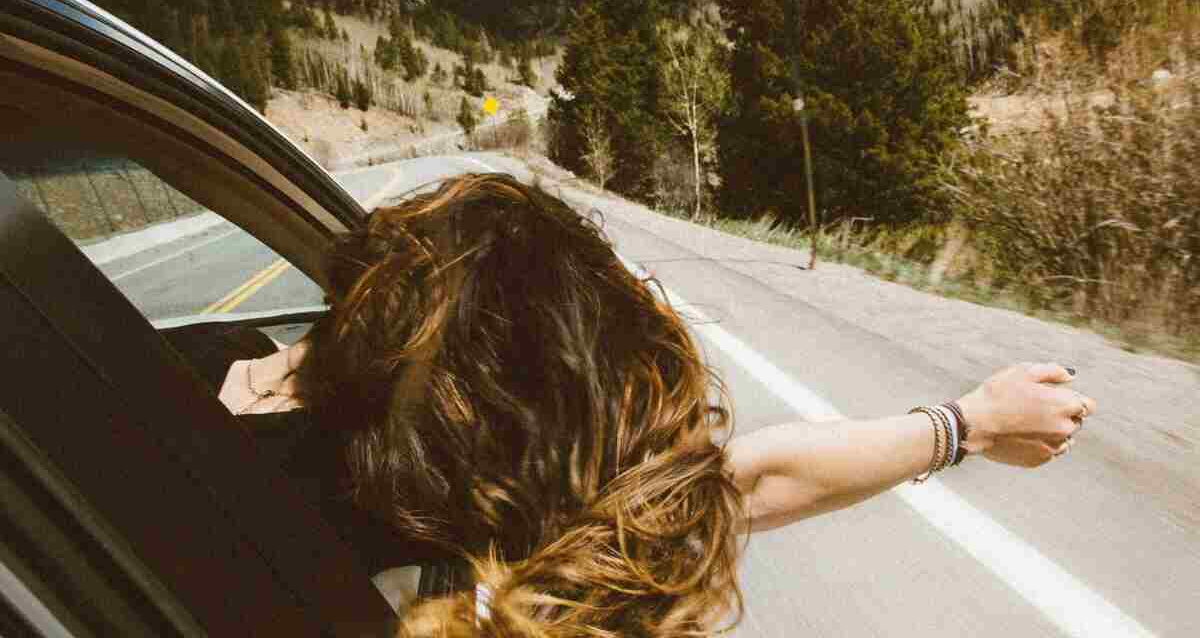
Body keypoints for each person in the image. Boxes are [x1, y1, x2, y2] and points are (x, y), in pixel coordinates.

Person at [192, 172, 1095, 636]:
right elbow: (738, 482)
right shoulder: (437, 511)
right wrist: (967, 424)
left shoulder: (176, 373)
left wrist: (967, 424)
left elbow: (735, 480)